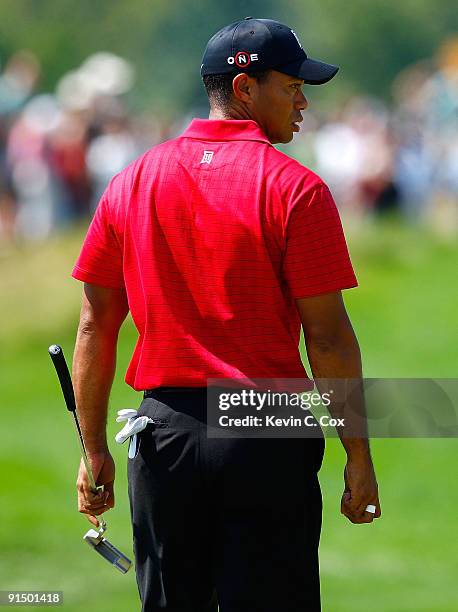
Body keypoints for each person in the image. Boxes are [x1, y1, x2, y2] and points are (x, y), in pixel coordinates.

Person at [71, 17, 381, 612]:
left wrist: (93, 450)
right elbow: (330, 340)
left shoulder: (132, 180)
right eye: (291, 87)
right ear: (245, 89)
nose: (303, 102)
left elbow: (94, 324)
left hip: (164, 433)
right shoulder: (297, 189)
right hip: (266, 423)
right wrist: (358, 457)